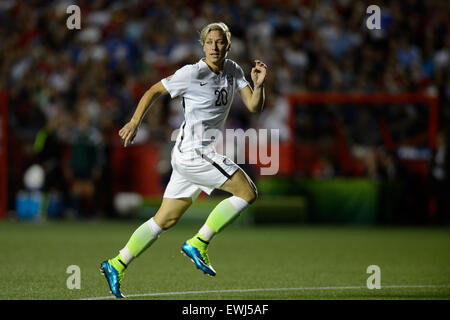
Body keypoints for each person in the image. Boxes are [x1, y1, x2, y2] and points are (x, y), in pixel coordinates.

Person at [100, 22, 267, 298]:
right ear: (203, 45)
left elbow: (253, 107)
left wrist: (259, 85)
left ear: (228, 45)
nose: (215, 47)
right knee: (247, 192)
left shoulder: (234, 70)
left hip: (188, 154)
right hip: (194, 153)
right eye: (210, 42)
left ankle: (116, 263)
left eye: (220, 42)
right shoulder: (191, 73)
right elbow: (153, 90)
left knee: (163, 220)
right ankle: (199, 242)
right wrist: (134, 121)